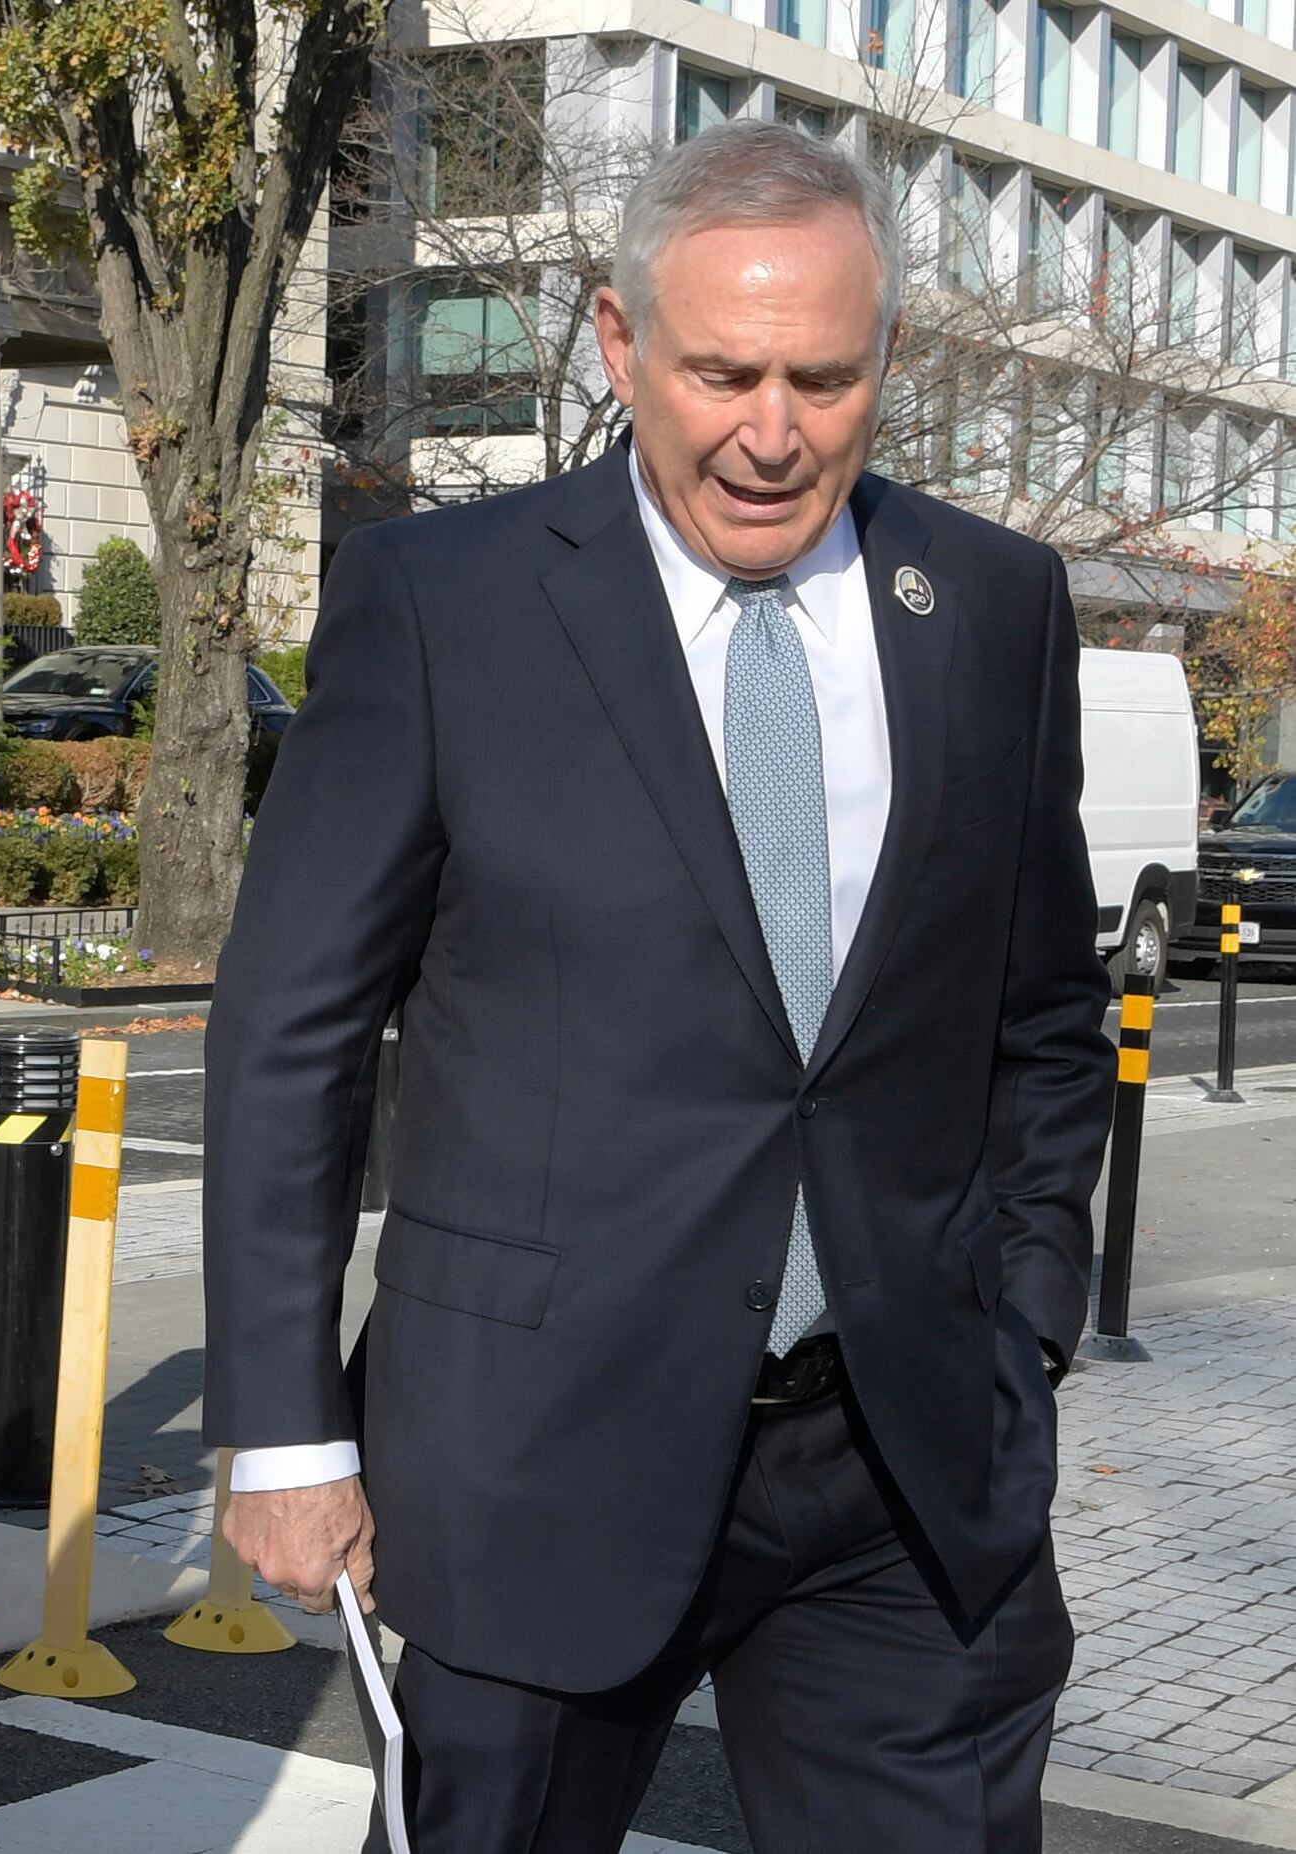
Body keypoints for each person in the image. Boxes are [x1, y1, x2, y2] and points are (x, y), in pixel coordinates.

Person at [204, 121, 1115, 1850]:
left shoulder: (991, 602)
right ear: (620, 345)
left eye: (822, 378)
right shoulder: (440, 603)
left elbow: (1042, 1012)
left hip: (901, 1471)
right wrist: (279, 1428)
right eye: (721, 372)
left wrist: (1025, 1321)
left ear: (887, 363)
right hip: (530, 1455)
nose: (771, 432)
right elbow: (290, 1034)